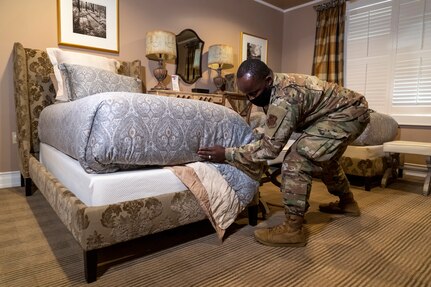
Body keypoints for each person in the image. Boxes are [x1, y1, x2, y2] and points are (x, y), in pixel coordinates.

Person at [197, 59, 370, 247]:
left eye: (253, 93)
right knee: (324, 158)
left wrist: (227, 154)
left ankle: (292, 229)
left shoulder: (286, 96)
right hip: (337, 113)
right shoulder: (273, 90)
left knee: (298, 159)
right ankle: (348, 203)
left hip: (349, 113)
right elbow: (272, 128)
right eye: (246, 94)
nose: (250, 99)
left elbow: (270, 149)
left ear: (268, 80)